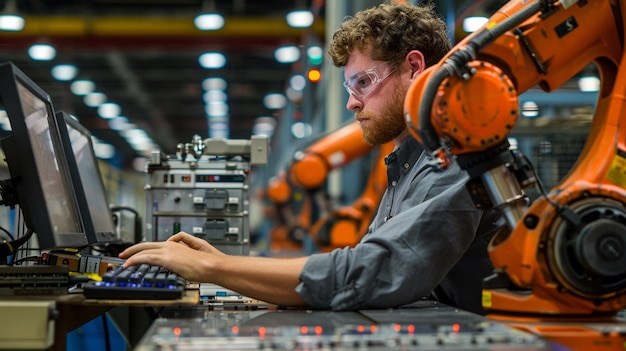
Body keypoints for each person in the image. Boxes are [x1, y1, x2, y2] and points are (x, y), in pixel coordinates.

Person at [119, 1, 502, 315]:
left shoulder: (456, 158)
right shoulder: (410, 165)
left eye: (363, 83)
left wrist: (215, 268)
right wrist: (227, 269)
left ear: (414, 68)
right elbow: (361, 263)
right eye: (351, 87)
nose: (353, 102)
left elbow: (375, 272)